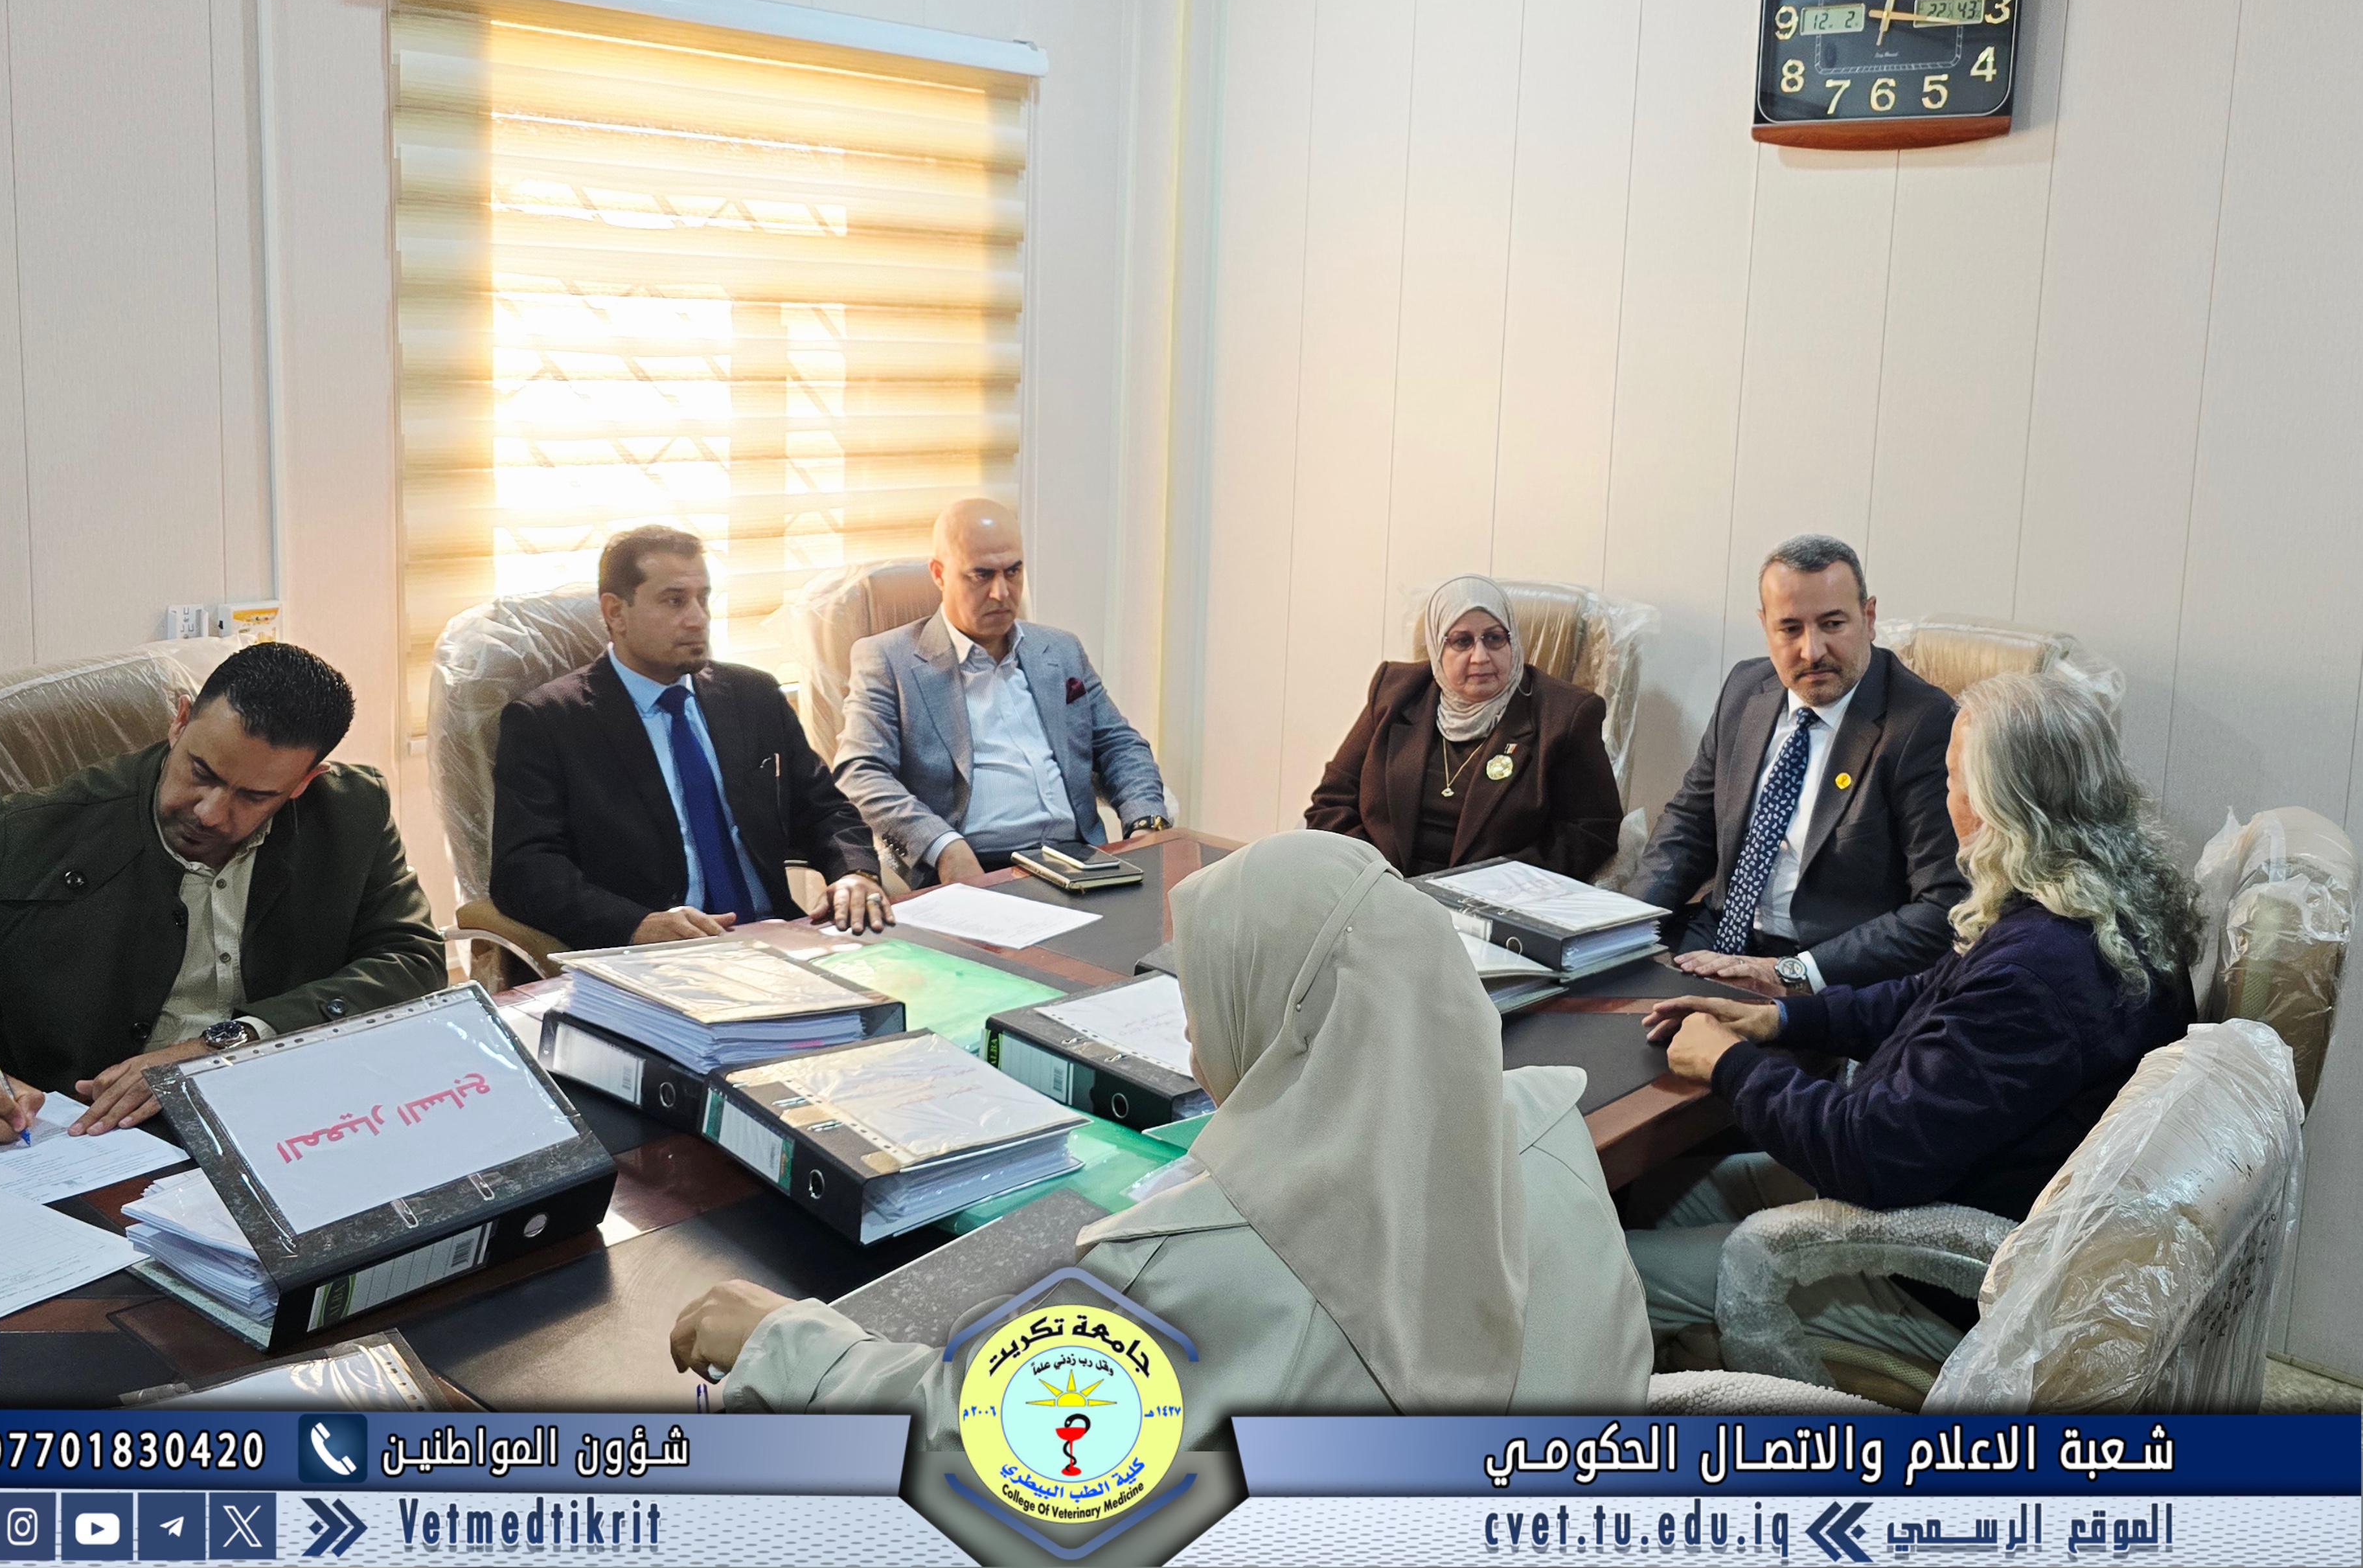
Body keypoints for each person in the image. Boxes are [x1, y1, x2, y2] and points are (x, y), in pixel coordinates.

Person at [670, 832, 1650, 1433]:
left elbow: (975, 1432)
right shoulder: (1548, 1128)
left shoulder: (1191, 1263)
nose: (1188, 1038)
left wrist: (790, 1345)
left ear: (1278, 1018)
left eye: (1203, 1002)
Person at [1626, 670, 2199, 1367]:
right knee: (1633, 1198)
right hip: (1948, 1179)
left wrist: (1729, 1065)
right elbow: (1929, 995)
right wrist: (1781, 1021)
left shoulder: (2035, 975)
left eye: (1952, 779)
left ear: (1995, 804)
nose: (1945, 797)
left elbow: (1866, 1155)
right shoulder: (2091, 905)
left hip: (1935, 1270)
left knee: (1605, 1267)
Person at [0, 643, 443, 1143]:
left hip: (293, 1121)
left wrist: (230, 1043)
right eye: (201, 773)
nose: (210, 812)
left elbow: (411, 959)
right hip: (90, 1142)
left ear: (306, 782)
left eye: (255, 796)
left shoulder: (351, 813)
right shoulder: (24, 837)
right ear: (180, 722)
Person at [490, 525, 889, 950]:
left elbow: (826, 809)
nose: (698, 619)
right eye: (675, 601)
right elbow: (525, 870)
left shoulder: (753, 696)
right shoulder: (548, 721)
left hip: (777, 937)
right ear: (615, 613)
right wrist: (636, 924)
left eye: (703, 599)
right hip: (657, 955)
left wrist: (855, 872)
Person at [1632, 534, 1967, 996]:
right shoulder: (1746, 688)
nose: (1812, 651)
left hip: (1829, 970)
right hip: (1718, 937)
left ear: (1868, 618)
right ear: (1765, 626)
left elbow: (1944, 906)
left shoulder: (1922, 724)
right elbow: (1690, 826)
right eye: (1790, 629)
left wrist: (1791, 972)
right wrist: (1621, 930)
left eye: (1832, 624)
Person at [834, 498, 1170, 887]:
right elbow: (860, 772)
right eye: (981, 575)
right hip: (975, 867)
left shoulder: (1060, 650)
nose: (1001, 592)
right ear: (939, 574)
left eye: (1013, 572)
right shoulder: (888, 660)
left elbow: (1119, 744)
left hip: (1081, 862)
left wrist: (1145, 822)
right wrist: (943, 845)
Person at [1306, 575, 1623, 879]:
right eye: (1462, 641)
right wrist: (1375, 876)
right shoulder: (1394, 693)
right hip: (1382, 888)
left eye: (1494, 638)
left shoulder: (1565, 715)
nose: (1480, 657)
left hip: (1494, 901)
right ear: (1437, 647)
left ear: (1512, 640)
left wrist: (1497, 885)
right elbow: (1332, 801)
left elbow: (1592, 831)